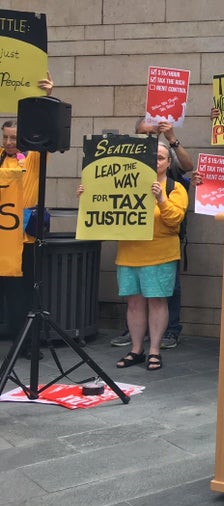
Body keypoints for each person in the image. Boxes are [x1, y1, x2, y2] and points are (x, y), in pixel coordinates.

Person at [78, 142, 188, 371]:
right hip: (129, 254)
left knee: (157, 302)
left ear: (169, 162)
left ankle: (155, 350)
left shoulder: (175, 188)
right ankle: (136, 349)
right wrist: (88, 196)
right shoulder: (121, 182)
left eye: (160, 158)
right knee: (134, 303)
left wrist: (161, 199)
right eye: (152, 156)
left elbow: (175, 220)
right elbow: (105, 209)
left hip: (160, 254)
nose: (156, 161)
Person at [110, 119, 194, 350]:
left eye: (151, 134)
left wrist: (172, 138)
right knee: (135, 300)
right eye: (142, 134)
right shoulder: (125, 162)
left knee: (165, 293)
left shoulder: (166, 159)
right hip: (132, 249)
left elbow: (187, 165)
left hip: (162, 244)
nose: (147, 138)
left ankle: (169, 331)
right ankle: (136, 336)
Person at [0, 73, 54, 358]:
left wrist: (46, 98)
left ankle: (27, 344)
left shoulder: (33, 157)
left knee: (23, 292)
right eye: (5, 137)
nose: (9, 142)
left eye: (14, 137)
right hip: (2, 235)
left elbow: (47, 134)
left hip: (25, 238)